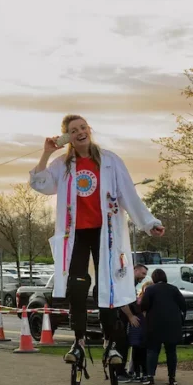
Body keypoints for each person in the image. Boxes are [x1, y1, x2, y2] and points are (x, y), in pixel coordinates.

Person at [29, 114, 165, 370]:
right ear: (68, 137)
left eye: (83, 127)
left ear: (89, 130)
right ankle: (79, 341)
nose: (80, 132)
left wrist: (149, 223)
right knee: (77, 286)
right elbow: (40, 183)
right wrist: (46, 153)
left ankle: (110, 341)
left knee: (107, 286)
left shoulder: (110, 161)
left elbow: (129, 195)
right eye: (73, 130)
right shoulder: (63, 165)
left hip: (106, 234)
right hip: (76, 235)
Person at [140, 268, 187, 385]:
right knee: (171, 351)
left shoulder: (150, 289)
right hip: (172, 324)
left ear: (154, 278)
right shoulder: (173, 289)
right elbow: (183, 304)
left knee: (152, 350)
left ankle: (150, 376)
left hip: (154, 323)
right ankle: (172, 378)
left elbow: (144, 305)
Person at [121, 264, 149, 382]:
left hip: (126, 319)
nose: (144, 276)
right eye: (143, 273)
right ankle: (120, 372)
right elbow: (122, 301)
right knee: (122, 345)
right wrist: (131, 316)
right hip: (122, 319)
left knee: (127, 345)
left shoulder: (131, 284)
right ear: (135, 270)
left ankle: (124, 371)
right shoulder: (127, 283)